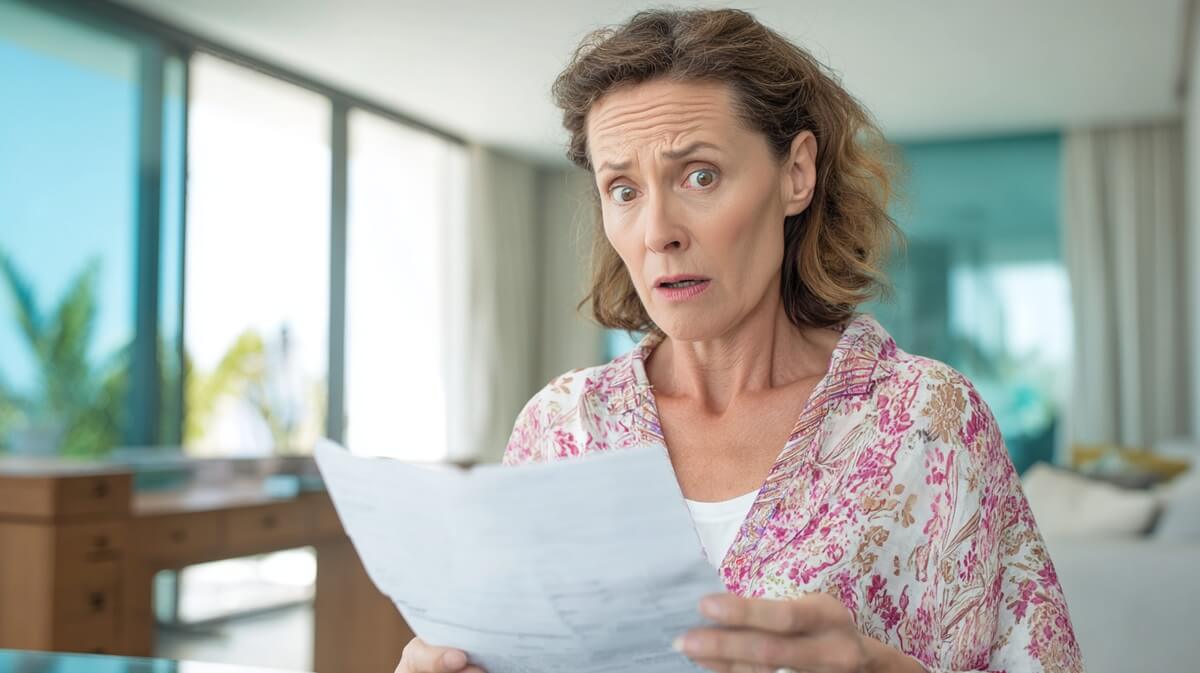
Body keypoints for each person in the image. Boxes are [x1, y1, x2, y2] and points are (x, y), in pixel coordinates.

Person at [398, 8, 1081, 673]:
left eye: (700, 175)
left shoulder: (931, 422)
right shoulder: (558, 429)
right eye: (623, 189)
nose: (657, 230)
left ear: (796, 173)